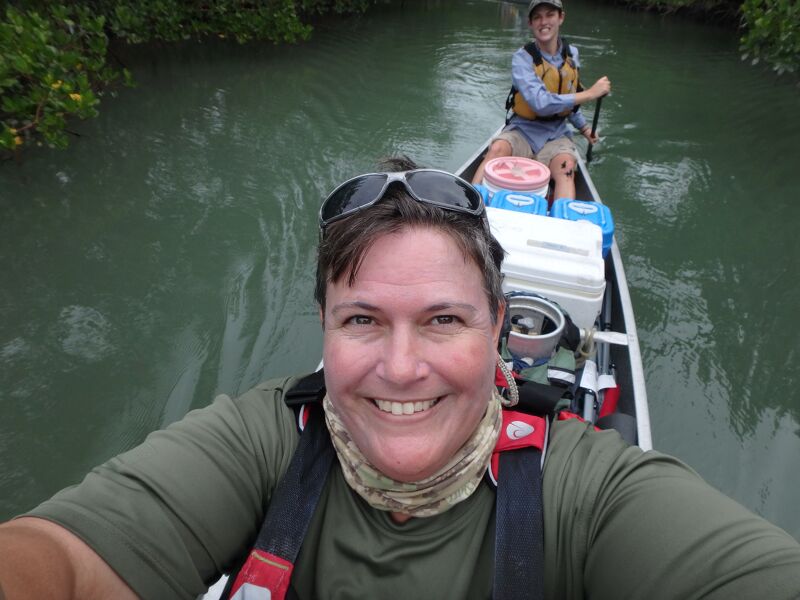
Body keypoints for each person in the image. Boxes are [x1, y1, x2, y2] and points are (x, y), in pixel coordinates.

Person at [2, 158, 800, 600]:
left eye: (444, 320)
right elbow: (60, 560)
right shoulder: (262, 440)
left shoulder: (588, 496)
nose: (400, 366)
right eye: (362, 320)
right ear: (324, 331)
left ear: (500, 331)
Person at [472, 0, 611, 201]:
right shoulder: (522, 58)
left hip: (557, 134)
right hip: (522, 130)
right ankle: (471, 208)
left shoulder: (572, 55)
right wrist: (591, 93)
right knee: (497, 149)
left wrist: (584, 129)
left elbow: (569, 96)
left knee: (567, 168)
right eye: (537, 17)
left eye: (549, 15)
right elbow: (540, 103)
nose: (543, 22)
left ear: (561, 17)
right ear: (530, 23)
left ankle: (562, 223)